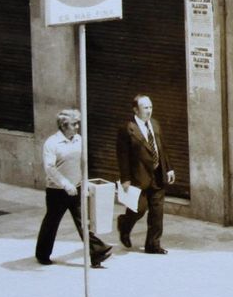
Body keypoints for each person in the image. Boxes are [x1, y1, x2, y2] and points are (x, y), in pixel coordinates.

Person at [34, 108, 111, 268]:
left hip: (76, 189)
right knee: (52, 222)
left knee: (83, 221)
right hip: (57, 191)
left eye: (78, 124)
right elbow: (50, 168)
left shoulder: (79, 139)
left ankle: (98, 252)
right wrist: (65, 184)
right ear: (63, 125)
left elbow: (82, 163)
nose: (77, 127)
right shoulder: (52, 143)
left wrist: (84, 182)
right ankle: (42, 254)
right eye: (74, 124)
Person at [116, 93, 175, 254]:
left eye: (150, 107)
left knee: (157, 211)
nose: (149, 111)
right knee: (139, 209)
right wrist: (125, 179)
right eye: (145, 108)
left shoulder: (154, 124)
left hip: (157, 174)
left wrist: (168, 168)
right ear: (135, 110)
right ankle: (124, 225)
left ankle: (153, 244)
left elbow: (162, 148)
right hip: (138, 176)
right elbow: (122, 156)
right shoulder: (127, 129)